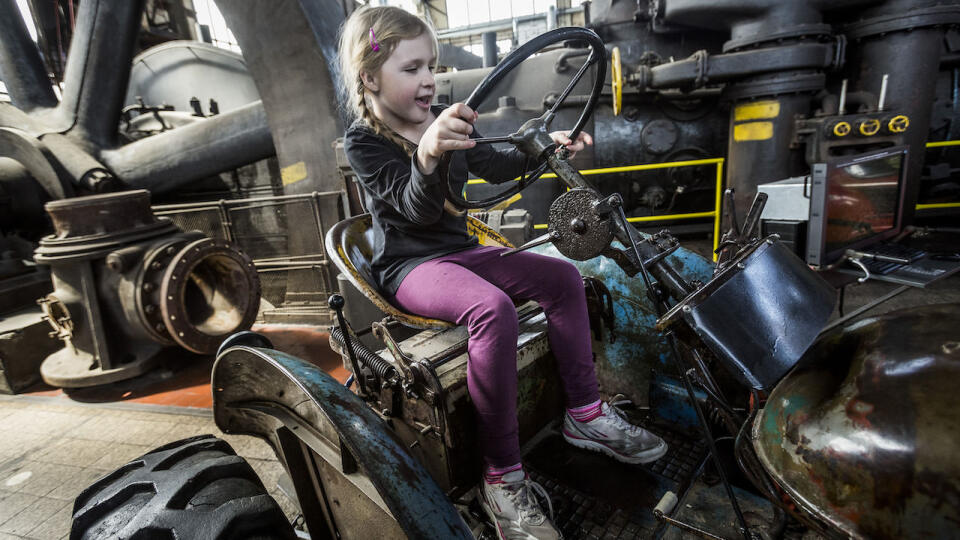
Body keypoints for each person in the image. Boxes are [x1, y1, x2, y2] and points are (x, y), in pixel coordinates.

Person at [337, 6, 668, 539]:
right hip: (411, 266)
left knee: (563, 279)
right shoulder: (365, 142)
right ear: (370, 77)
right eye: (412, 68)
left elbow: (494, 164)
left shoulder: (444, 116)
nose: (428, 80)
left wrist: (544, 146)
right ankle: (502, 475)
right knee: (491, 309)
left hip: (464, 252)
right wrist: (426, 156)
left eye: (432, 67)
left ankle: (585, 414)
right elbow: (416, 209)